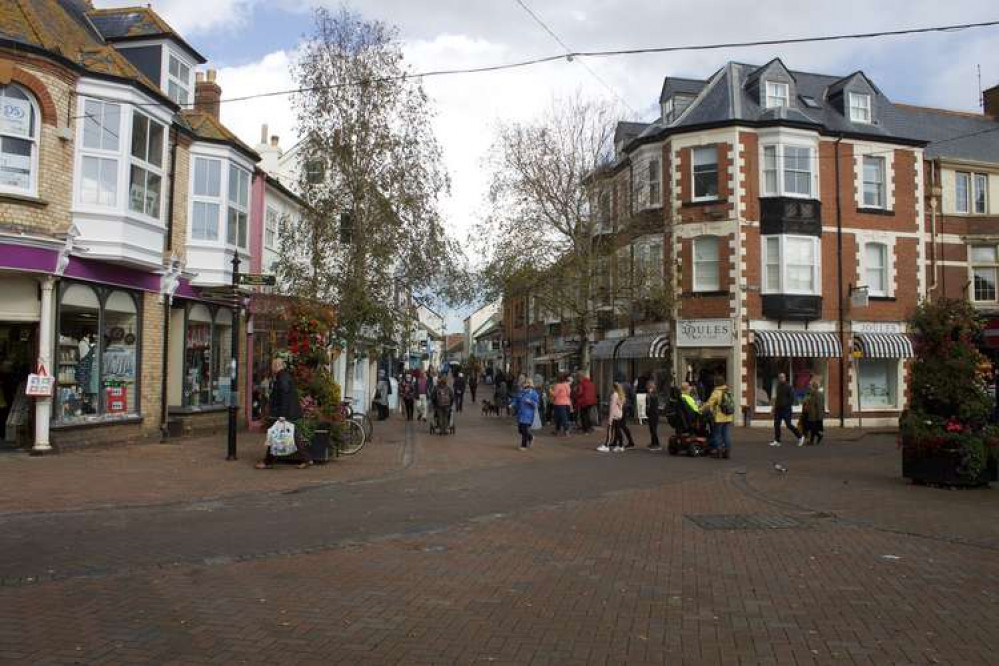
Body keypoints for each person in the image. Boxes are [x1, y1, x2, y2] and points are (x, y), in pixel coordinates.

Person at [256, 357, 312, 469]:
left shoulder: (282, 378)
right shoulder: (283, 377)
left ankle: (268, 462)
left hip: (286, 413)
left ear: (276, 366)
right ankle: (306, 459)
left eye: (272, 366)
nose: (271, 368)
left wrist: (282, 415)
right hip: (289, 412)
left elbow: (285, 397)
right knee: (293, 435)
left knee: (274, 435)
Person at [702, 374, 734, 459]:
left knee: (717, 434)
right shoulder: (728, 391)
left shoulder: (716, 392)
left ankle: (718, 451)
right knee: (726, 434)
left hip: (719, 417)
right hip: (728, 416)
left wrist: (701, 409)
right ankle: (727, 452)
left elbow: (709, 403)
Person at [770, 372, 804, 447]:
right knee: (776, 424)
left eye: (782, 377)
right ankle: (777, 441)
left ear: (785, 378)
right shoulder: (778, 387)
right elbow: (777, 398)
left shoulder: (789, 387)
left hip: (786, 409)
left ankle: (800, 436)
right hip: (778, 409)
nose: (781, 379)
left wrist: (785, 404)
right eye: (780, 377)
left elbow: (792, 399)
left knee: (788, 425)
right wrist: (773, 408)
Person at [598, 382, 630, 453]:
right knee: (617, 430)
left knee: (610, 431)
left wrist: (610, 418)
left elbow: (612, 407)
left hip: (614, 415)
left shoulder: (614, 395)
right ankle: (621, 445)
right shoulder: (620, 395)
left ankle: (607, 445)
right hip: (619, 414)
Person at [511, 377, 539, 450]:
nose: (524, 384)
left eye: (525, 382)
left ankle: (524, 445)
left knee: (524, 430)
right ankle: (530, 437)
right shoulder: (521, 392)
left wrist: (530, 402)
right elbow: (516, 400)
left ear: (529, 384)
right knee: (520, 430)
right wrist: (512, 404)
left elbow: (536, 404)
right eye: (524, 383)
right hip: (520, 413)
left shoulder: (533, 393)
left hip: (528, 414)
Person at [802, 378, 825, 445]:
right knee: (812, 428)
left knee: (811, 428)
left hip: (814, 415)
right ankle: (812, 441)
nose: (809, 387)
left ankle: (818, 436)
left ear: (814, 387)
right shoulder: (812, 394)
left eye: (810, 385)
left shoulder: (816, 394)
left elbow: (818, 406)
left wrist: (819, 416)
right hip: (812, 414)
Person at [645, 380, 661, 450]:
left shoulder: (654, 394)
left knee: (654, 429)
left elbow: (654, 403)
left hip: (654, 414)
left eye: (649, 386)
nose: (648, 387)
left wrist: (650, 394)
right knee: (651, 429)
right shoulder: (649, 394)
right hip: (650, 414)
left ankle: (657, 444)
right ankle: (653, 442)